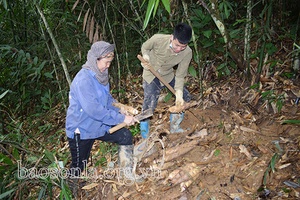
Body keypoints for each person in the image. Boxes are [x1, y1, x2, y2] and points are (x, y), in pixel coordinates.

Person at [65, 41, 137, 189]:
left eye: (110, 62)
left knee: (125, 136)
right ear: (95, 59)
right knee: (79, 166)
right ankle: (68, 190)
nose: (108, 66)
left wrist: (120, 108)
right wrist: (122, 119)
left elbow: (106, 99)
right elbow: (94, 110)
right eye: (106, 62)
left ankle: (127, 175)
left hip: (99, 125)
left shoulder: (101, 74)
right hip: (82, 130)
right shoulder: (83, 80)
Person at [140, 23, 193, 137]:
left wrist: (178, 93)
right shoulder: (158, 39)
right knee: (150, 102)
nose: (179, 49)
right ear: (172, 37)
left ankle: (175, 126)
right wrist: (146, 56)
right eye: (177, 45)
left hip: (167, 75)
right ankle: (145, 135)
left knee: (185, 97)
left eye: (182, 47)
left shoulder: (187, 52)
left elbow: (180, 75)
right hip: (151, 73)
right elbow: (145, 47)